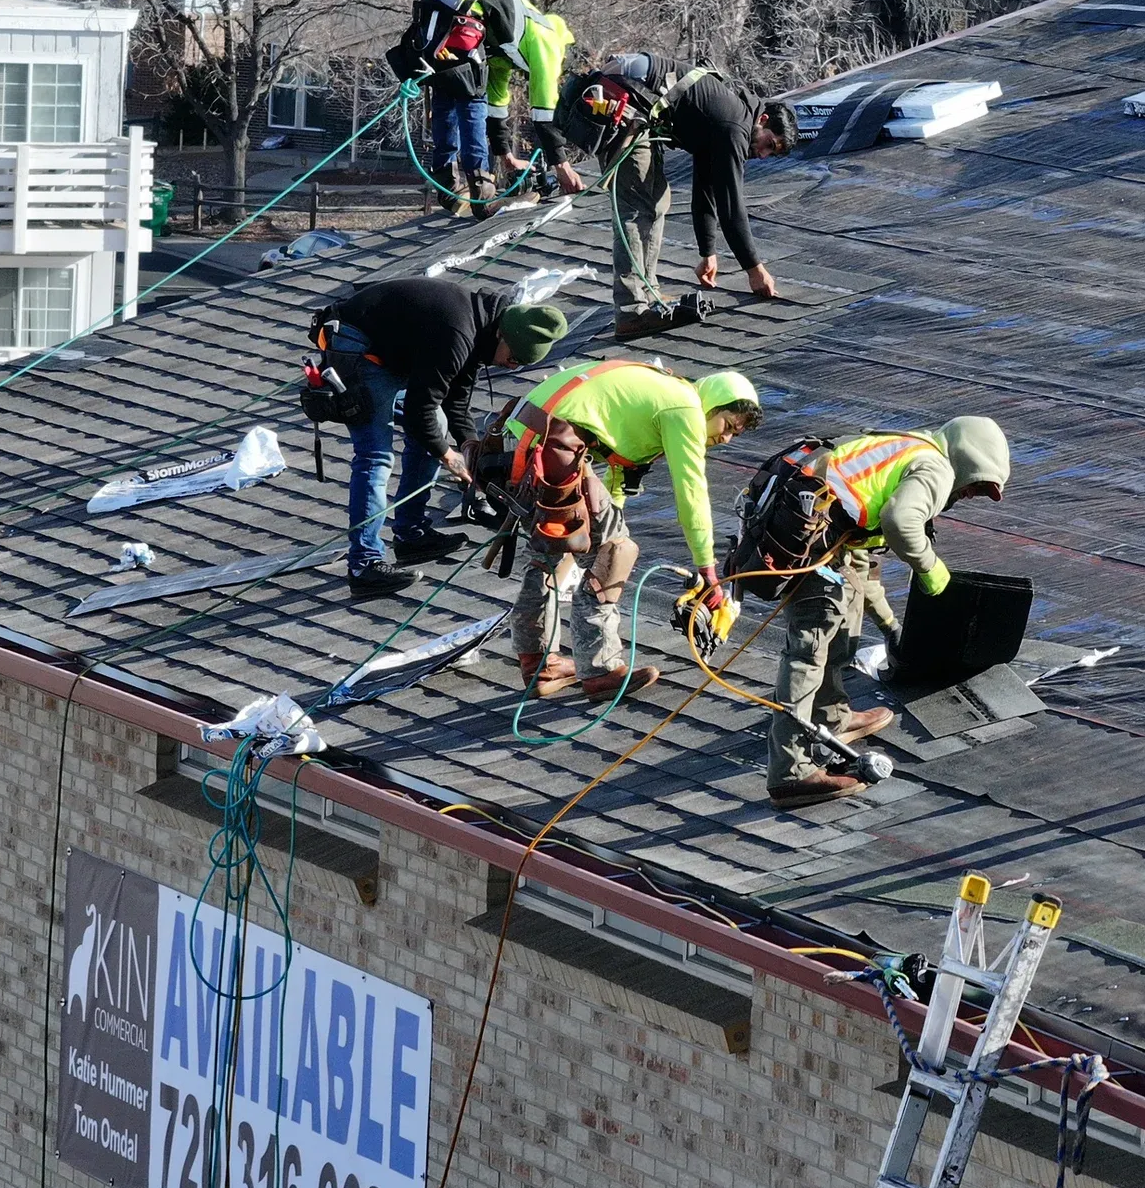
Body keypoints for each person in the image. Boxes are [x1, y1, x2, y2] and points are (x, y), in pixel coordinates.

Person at [767, 417, 1010, 810]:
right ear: (970, 460)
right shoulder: (934, 468)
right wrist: (931, 569)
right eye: (975, 486)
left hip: (814, 536)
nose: (967, 495)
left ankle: (833, 719)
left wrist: (890, 626)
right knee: (806, 654)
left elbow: (862, 568)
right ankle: (790, 774)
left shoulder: (906, 446)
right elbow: (901, 522)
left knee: (842, 631)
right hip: (807, 544)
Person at [505, 361, 762, 700]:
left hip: (519, 444)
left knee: (552, 554)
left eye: (734, 434)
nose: (725, 438)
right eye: (726, 424)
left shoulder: (662, 389)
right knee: (616, 555)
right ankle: (600, 670)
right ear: (711, 404)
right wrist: (707, 570)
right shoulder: (684, 407)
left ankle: (540, 663)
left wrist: (599, 531)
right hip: (553, 450)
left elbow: (611, 469)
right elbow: (692, 493)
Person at [320, 280, 569, 600]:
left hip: (390, 354)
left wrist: (470, 449)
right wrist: (448, 456)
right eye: (511, 357)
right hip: (360, 351)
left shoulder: (483, 330)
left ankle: (411, 534)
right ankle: (363, 564)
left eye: (520, 364)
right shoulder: (459, 334)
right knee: (376, 455)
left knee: (435, 424)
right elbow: (417, 411)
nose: (511, 365)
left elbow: (456, 403)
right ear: (503, 336)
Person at [587, 52, 798, 340]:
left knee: (657, 200)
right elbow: (732, 207)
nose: (762, 154)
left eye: (771, 153)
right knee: (638, 207)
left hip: (633, 94)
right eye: (769, 144)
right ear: (763, 119)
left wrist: (707, 253)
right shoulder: (736, 128)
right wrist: (755, 270)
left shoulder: (731, 119)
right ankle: (632, 312)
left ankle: (646, 297)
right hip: (624, 94)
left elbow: (706, 188)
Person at [385, 0, 494, 215]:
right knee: (472, 102)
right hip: (458, 37)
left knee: (444, 100)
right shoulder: (493, 0)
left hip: (432, 42)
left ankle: (446, 185)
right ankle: (481, 190)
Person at [475, 0, 581, 205]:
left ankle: (462, 181)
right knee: (468, 105)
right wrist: (562, 166)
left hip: (465, 17)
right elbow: (544, 109)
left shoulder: (506, 50)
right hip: (472, 13)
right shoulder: (548, 40)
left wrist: (506, 156)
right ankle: (471, 185)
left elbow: (496, 105)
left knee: (464, 100)